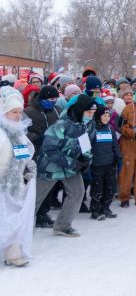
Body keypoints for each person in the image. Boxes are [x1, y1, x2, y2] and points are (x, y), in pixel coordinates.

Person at [35, 94, 97, 237]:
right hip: (51, 167)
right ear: (80, 110)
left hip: (71, 167)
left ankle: (63, 225)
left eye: (93, 113)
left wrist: (87, 159)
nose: (91, 116)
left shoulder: (88, 124)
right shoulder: (61, 125)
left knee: (77, 192)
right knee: (35, 198)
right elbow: (49, 149)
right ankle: (17, 228)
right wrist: (70, 163)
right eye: (88, 112)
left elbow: (86, 143)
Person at [0, 87, 37, 267]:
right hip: (2, 183)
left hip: (17, 184)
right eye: (13, 112)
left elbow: (25, 153)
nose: (17, 115)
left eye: (19, 111)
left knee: (16, 217)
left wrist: (27, 167)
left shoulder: (19, 132)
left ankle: (13, 252)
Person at [24, 85, 61, 227]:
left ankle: (43, 213)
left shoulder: (56, 111)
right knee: (36, 186)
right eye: (50, 99)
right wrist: (36, 137)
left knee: (48, 185)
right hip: (36, 152)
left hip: (52, 153)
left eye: (55, 99)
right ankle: (32, 213)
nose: (53, 102)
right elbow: (23, 131)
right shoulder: (29, 111)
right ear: (43, 98)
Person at [89, 105, 121, 220]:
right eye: (104, 116)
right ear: (98, 116)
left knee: (110, 187)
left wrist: (119, 159)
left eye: (108, 116)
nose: (107, 118)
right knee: (97, 188)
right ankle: (95, 210)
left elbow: (115, 146)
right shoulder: (92, 129)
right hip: (97, 164)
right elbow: (88, 146)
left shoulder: (110, 128)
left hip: (110, 163)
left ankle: (106, 207)